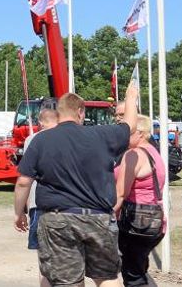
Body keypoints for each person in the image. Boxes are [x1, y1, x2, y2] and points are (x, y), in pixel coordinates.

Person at [14, 81, 139, 287]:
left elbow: (23, 182)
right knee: (107, 277)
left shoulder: (41, 140)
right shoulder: (102, 135)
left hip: (58, 219)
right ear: (80, 112)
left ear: (59, 113)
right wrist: (131, 97)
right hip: (99, 218)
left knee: (68, 281)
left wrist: (19, 213)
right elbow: (130, 126)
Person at [114, 116, 166, 287]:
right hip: (155, 219)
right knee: (138, 269)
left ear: (141, 134)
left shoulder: (133, 155)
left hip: (136, 222)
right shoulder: (153, 152)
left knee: (133, 275)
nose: (123, 137)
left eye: (128, 133)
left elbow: (121, 192)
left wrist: (109, 215)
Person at [22, 107, 59, 287]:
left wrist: (21, 209)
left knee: (44, 261)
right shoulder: (71, 138)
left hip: (39, 203)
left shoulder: (32, 139)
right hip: (67, 206)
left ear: (41, 122)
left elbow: (24, 179)